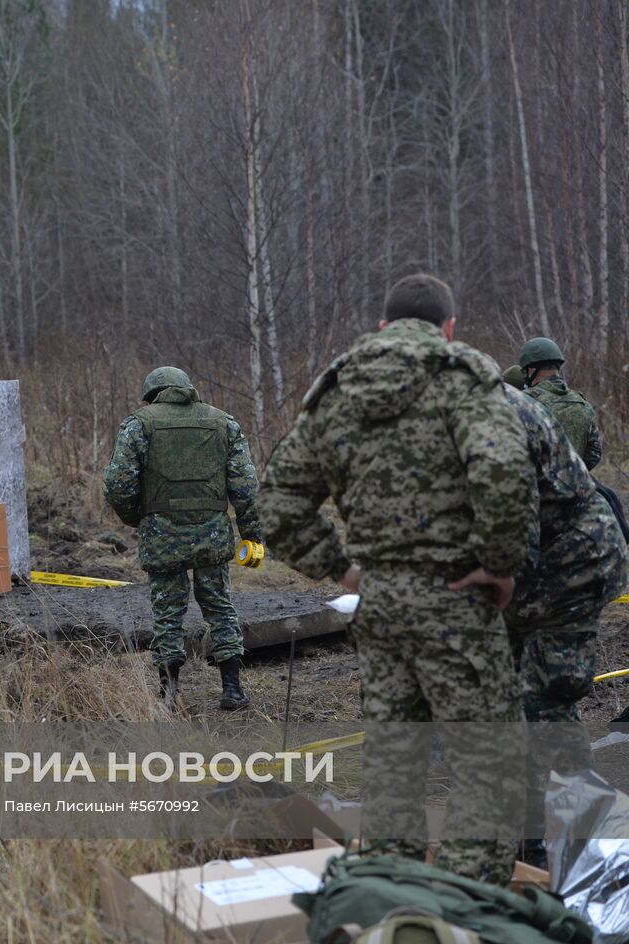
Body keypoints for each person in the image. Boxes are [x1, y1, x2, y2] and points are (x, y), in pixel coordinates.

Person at [259, 274, 536, 885]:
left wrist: (344, 567)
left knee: (392, 763)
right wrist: (499, 560)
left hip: (379, 603)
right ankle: (465, 905)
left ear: (383, 327)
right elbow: (502, 469)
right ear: (449, 327)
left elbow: (277, 499)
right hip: (455, 598)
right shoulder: (462, 378)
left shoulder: (338, 388)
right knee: (485, 766)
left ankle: (390, 901)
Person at [499, 371, 627, 866]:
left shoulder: (498, 424)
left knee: (544, 702)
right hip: (544, 564)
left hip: (573, 568)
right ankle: (535, 837)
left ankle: (585, 836)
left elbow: (513, 533)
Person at [103, 367, 263, 712]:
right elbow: (246, 488)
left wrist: (137, 517)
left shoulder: (139, 424)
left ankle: (170, 693)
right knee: (220, 607)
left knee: (166, 613)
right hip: (213, 534)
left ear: (153, 393)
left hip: (162, 535)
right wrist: (252, 534)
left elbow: (117, 484)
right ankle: (233, 689)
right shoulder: (223, 422)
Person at [517, 337, 602, 469]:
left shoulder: (524, 402)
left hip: (536, 487)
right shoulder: (582, 403)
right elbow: (594, 454)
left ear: (531, 370)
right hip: (574, 487)